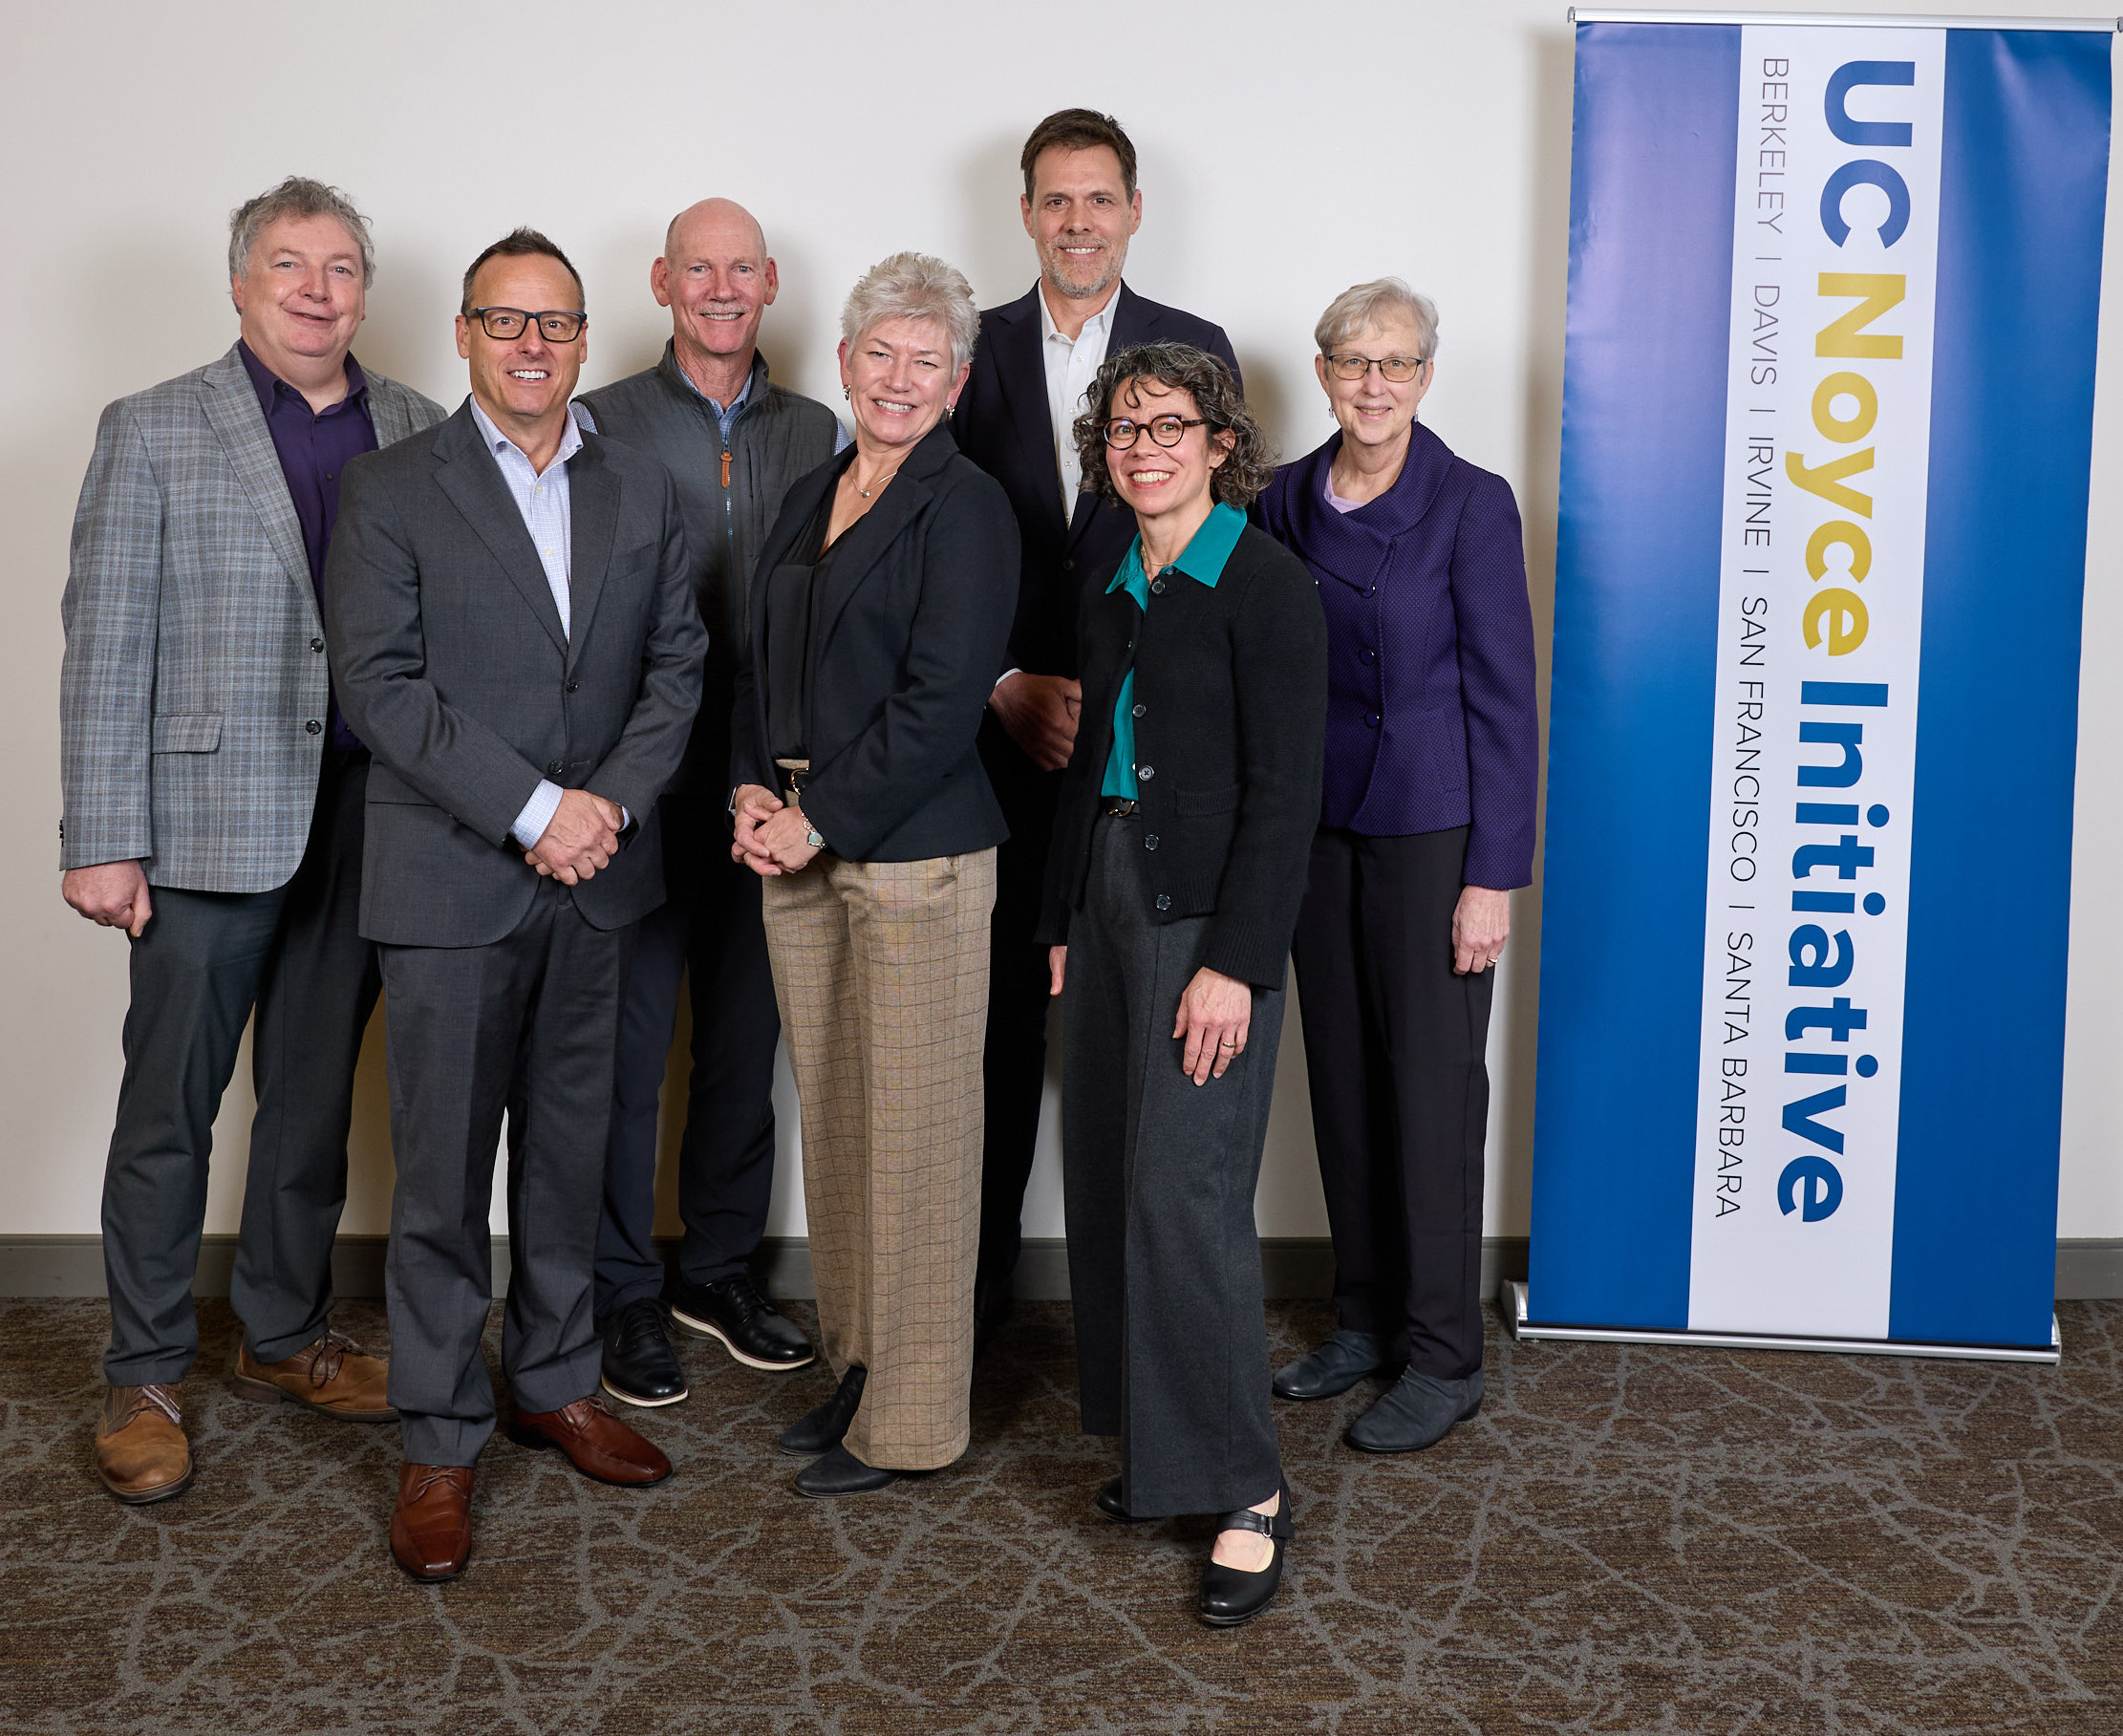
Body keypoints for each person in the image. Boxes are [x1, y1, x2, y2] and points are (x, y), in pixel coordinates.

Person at [323, 229, 707, 1581]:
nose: (531, 345)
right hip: (452, 887)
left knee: (569, 1156)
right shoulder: (388, 490)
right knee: (437, 1180)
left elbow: (677, 667)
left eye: (555, 324)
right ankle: (439, 1434)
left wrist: (602, 809)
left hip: (601, 885)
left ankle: (553, 1381)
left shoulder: (643, 486)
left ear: (586, 339)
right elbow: (381, 689)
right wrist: (540, 811)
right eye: (504, 321)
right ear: (467, 336)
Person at [58, 177, 444, 1506]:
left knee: (311, 1101)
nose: (316, 289)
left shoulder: (417, 423)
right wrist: (102, 837)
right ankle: (147, 1366)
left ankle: (282, 1335)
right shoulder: (156, 427)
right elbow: (104, 649)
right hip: (200, 830)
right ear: (241, 283)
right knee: (169, 1106)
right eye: (289, 265)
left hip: (365, 824)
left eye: (340, 266)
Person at [1040, 343, 1326, 1626]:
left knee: (1184, 1197)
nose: (1142, 446)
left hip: (1203, 920)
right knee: (1109, 1179)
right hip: (1103, 900)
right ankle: (1163, 1461)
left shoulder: (1265, 586)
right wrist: (1058, 920)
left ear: (1220, 443)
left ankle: (1246, 1491)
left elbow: (1285, 798)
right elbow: (1083, 764)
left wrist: (1234, 966)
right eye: (1121, 427)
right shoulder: (1110, 580)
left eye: (1169, 426)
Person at [953, 109, 1242, 1345]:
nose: (1077, 221)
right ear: (1025, 213)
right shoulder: (969, 347)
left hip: (1141, 767)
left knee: (1137, 1046)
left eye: (1099, 199)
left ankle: (1144, 1337)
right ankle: (969, 1328)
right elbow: (934, 544)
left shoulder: (1199, 348)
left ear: (1132, 211)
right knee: (999, 1046)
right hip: (1001, 754)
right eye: (1055, 200)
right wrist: (1000, 685)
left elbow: (1223, 555)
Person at [731, 252, 1017, 1499]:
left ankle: (909, 1422)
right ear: (843, 362)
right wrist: (753, 784)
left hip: (914, 856)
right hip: (796, 846)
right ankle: (856, 1367)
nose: (897, 378)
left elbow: (944, 699)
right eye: (877, 353)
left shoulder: (970, 507)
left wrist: (818, 816)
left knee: (917, 1144)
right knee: (844, 1128)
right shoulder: (814, 487)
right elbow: (759, 660)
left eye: (925, 360)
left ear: (954, 381)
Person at [1254, 279, 1537, 1454]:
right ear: (1321, 372)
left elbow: (1508, 700)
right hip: (1317, 830)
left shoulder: (1470, 504)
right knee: (1344, 1081)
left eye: (1397, 363)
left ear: (1425, 377)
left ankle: (1442, 1353)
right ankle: (1364, 1320)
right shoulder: (1277, 500)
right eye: (1353, 362)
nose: (1374, 384)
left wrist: (1493, 876)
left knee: (1428, 1090)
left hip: (1432, 834)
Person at [573, 200, 839, 1406]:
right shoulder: (601, 421)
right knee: (626, 1052)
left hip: (762, 786)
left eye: (741, 268)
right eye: (698, 268)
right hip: (635, 779)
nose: (721, 287)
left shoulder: (820, 427)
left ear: (771, 282)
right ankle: (622, 1288)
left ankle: (718, 1271)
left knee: (744, 1042)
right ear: (661, 281)